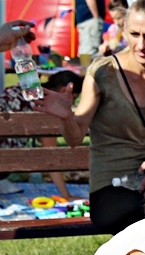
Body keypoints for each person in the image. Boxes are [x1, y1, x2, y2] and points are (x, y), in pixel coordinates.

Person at [34, 0, 145, 235]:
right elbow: (74, 138)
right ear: (124, 29)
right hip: (109, 186)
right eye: (135, 34)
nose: (141, 44)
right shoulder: (104, 71)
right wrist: (66, 117)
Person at [0, 71, 85, 199]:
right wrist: (66, 195)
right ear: (64, 90)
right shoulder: (47, 105)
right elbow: (50, 156)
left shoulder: (21, 89)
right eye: (74, 98)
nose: (72, 104)